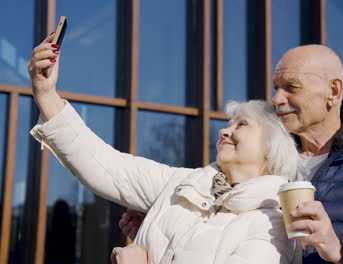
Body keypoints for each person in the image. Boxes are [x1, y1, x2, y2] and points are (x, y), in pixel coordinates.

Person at [121, 44, 343, 263]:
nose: (276, 100)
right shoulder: (266, 155)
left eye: (291, 87)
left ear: (333, 91)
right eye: (276, 87)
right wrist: (165, 224)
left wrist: (339, 249)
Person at [28, 33, 303, 264]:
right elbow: (103, 165)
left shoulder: (273, 223)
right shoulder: (181, 183)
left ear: (271, 148)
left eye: (241, 124)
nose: (224, 130)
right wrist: (46, 94)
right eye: (228, 123)